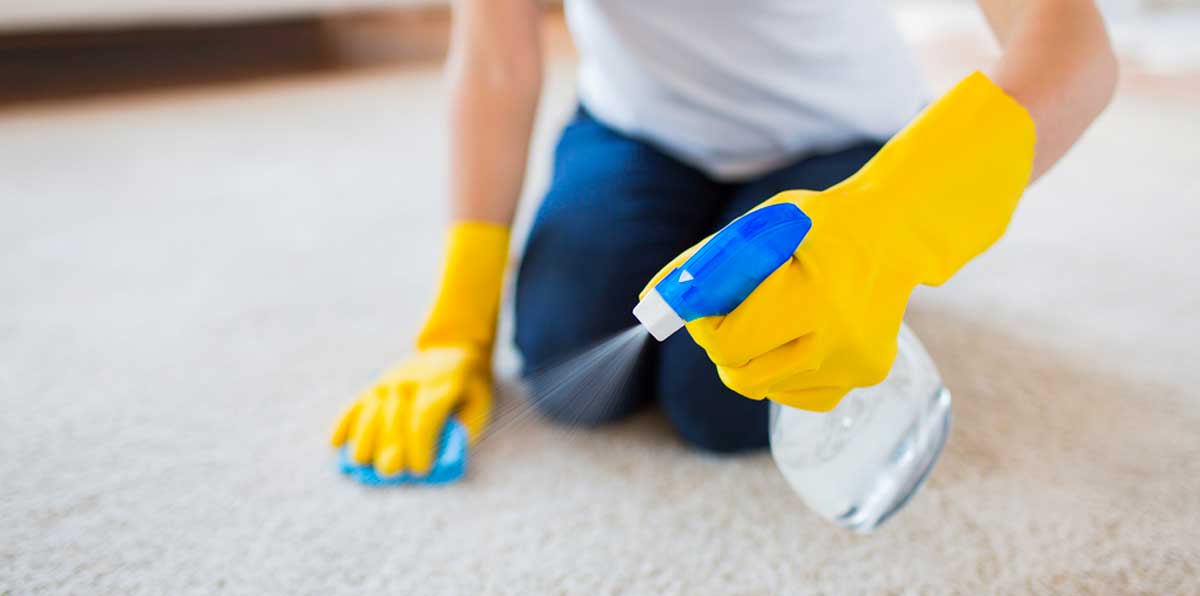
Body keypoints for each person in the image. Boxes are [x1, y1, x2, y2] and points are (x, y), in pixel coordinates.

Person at [331, 0, 1117, 479]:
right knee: (568, 365)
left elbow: (1073, 48)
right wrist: (456, 325)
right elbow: (495, 61)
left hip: (839, 144)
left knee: (723, 400)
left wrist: (891, 225)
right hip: (640, 128)